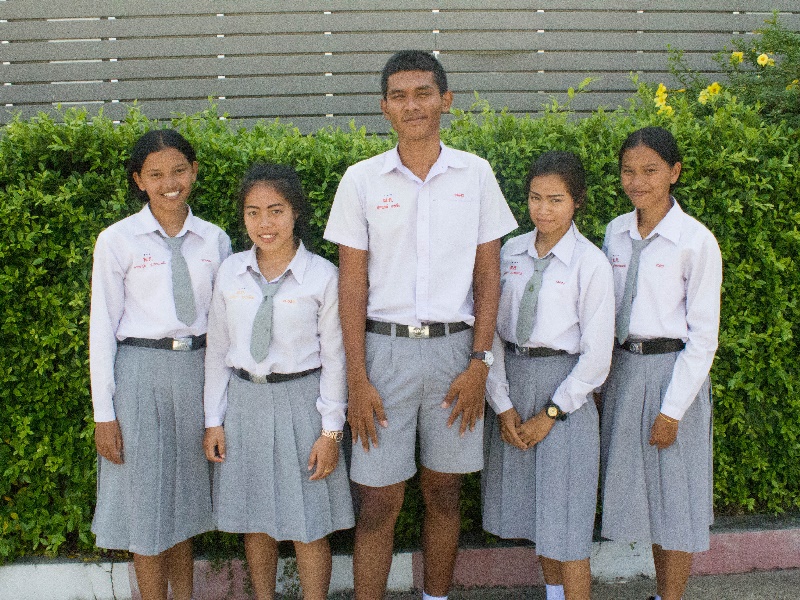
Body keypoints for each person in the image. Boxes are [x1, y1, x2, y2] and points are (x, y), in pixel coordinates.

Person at [323, 50, 518, 600]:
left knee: (445, 494)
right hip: (382, 357)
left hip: (456, 355)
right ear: (384, 107)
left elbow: (489, 278)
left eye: (424, 93)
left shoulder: (475, 174)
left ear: (445, 100)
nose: (412, 106)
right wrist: (357, 378)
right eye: (399, 96)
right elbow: (351, 287)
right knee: (377, 501)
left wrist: (480, 364)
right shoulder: (361, 181)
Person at [90, 129, 231, 600]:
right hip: (140, 373)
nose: (169, 183)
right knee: (146, 507)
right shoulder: (118, 240)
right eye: (155, 174)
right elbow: (102, 329)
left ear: (194, 172)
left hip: (196, 371)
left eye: (178, 171)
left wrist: (216, 410)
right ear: (139, 180)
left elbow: (224, 324)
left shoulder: (214, 239)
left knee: (185, 505)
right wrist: (105, 414)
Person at [203, 163, 353, 600]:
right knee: (256, 521)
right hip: (245, 403)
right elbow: (217, 350)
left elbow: (335, 359)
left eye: (276, 210)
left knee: (309, 523)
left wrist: (330, 431)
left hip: (302, 403)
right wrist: (214, 420)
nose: (265, 224)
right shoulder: (230, 272)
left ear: (295, 212)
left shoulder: (322, 276)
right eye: (253, 212)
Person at [482, 151, 614, 600]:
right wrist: (502, 405)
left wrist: (552, 413)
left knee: (568, 525)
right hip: (513, 385)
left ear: (577, 201)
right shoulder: (510, 253)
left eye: (556, 200)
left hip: (566, 395)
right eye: (535, 198)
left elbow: (597, 356)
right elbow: (492, 333)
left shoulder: (590, 263)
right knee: (539, 518)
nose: (543, 210)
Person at [599, 127, 722, 600]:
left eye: (650, 171)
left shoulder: (695, 241)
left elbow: (703, 338)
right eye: (628, 171)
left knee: (676, 498)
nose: (637, 182)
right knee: (646, 497)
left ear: (674, 172)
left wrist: (672, 411)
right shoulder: (615, 232)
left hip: (673, 375)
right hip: (625, 371)